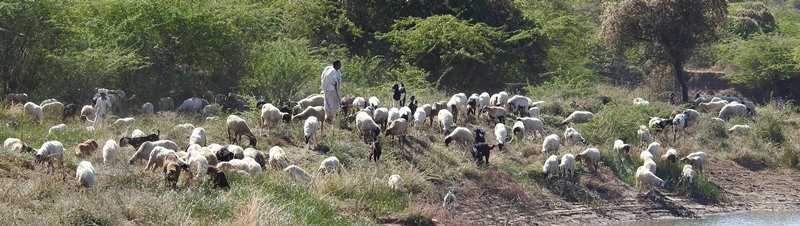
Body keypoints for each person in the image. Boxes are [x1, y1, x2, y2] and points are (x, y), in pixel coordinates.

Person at [320, 60, 342, 125]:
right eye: (339, 65)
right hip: (331, 90)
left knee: (328, 104)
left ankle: (328, 118)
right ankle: (330, 118)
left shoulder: (333, 70)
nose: (340, 66)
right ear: (336, 65)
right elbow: (329, 77)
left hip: (329, 90)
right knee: (333, 105)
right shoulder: (332, 71)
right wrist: (334, 83)